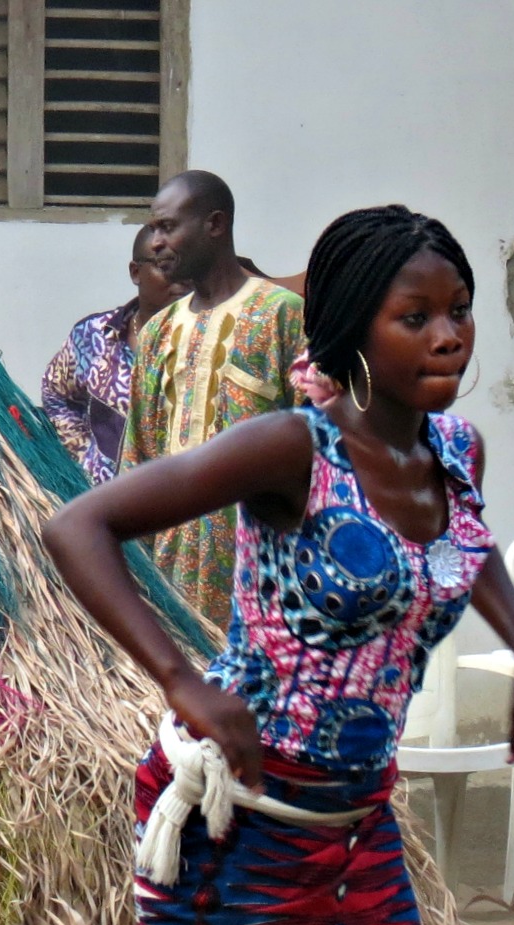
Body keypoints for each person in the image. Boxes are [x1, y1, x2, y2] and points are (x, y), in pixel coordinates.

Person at [43, 205, 514, 925]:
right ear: (355, 329)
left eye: (459, 310)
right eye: (415, 318)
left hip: (357, 819)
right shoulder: (293, 449)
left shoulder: (456, 452)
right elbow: (77, 527)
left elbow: (464, 546)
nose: (449, 337)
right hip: (241, 815)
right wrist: (182, 682)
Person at [121, 170, 306, 625]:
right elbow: (138, 456)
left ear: (215, 224)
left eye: (167, 227)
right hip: (171, 572)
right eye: (153, 229)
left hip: (267, 575)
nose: (156, 242)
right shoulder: (158, 332)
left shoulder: (281, 315)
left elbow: (318, 447)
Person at [40, 224, 189, 484]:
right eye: (166, 265)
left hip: (182, 501)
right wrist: (86, 460)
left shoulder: (209, 342)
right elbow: (56, 394)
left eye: (189, 267)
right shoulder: (94, 335)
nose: (181, 278)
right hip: (108, 501)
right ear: (136, 272)